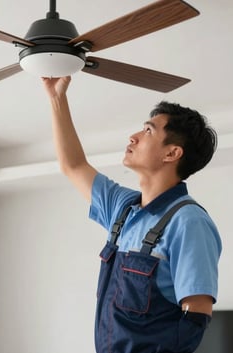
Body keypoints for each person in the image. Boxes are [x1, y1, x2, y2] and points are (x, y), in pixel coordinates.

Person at [42, 76, 222, 353]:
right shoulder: (122, 209)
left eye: (148, 131)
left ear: (172, 153)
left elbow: (196, 313)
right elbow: (73, 165)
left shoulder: (189, 221)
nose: (133, 137)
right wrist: (57, 97)